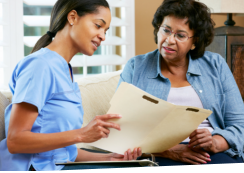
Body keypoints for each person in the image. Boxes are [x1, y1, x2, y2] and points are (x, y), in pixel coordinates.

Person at [0, 0, 142, 171]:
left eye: (105, 31)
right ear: (73, 17)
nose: (103, 36)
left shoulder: (65, 70)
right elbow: (15, 141)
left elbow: (64, 153)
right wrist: (81, 134)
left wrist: (109, 158)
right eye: (98, 25)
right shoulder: (40, 66)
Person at [118, 0, 244, 166]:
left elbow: (239, 126)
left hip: (209, 152)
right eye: (166, 30)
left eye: (180, 35)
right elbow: (120, 129)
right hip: (157, 154)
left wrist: (215, 142)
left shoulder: (216, 65)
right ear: (158, 28)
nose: (169, 40)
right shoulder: (136, 67)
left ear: (195, 41)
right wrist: (170, 151)